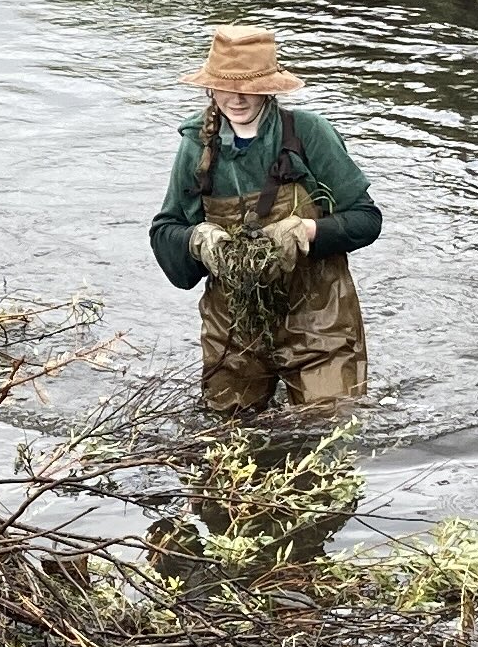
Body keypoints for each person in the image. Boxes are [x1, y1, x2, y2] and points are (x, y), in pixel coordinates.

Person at [148, 24, 379, 414]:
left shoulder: (309, 132)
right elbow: (164, 230)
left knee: (326, 430)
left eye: (249, 89)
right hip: (234, 330)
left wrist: (309, 230)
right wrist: (197, 240)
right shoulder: (195, 145)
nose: (236, 99)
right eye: (224, 87)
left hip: (320, 321)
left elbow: (367, 220)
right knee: (227, 438)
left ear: (269, 89)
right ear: (210, 88)